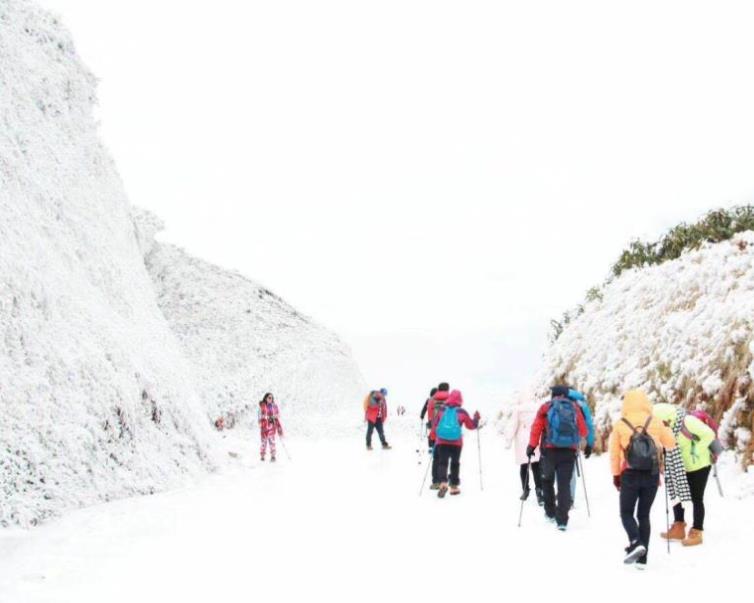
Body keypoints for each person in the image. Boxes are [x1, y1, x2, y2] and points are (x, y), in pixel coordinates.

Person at [609, 390, 676, 568]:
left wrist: (616, 475)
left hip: (629, 475)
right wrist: (665, 428)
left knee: (626, 513)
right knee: (643, 515)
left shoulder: (620, 424)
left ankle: (635, 541)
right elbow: (671, 443)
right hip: (651, 474)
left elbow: (614, 453)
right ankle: (642, 559)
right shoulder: (655, 421)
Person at [653, 402, 716, 546]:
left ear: (666, 418)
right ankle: (679, 527)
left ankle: (697, 531)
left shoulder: (687, 421)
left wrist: (695, 451)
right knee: (677, 493)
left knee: (696, 498)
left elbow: (709, 435)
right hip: (680, 467)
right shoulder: (665, 429)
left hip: (699, 465)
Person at [527, 385, 587, 530]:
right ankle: (562, 521)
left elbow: (536, 427)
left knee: (547, 480)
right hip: (568, 452)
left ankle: (550, 512)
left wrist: (531, 446)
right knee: (564, 484)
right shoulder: (574, 407)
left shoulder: (546, 407)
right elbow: (583, 430)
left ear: (553, 394)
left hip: (549, 451)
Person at [432, 389, 480, 497]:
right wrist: (476, 418)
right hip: (456, 443)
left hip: (442, 441)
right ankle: (454, 486)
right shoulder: (462, 412)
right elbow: (471, 426)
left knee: (442, 463)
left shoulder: (441, 410)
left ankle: (443, 483)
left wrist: (435, 436)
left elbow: (435, 424)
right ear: (460, 399)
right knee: (455, 463)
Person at [503, 390, 544, 505]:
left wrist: (508, 440)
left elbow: (512, 425)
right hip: (534, 439)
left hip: (521, 440)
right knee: (536, 466)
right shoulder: (537, 407)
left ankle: (525, 490)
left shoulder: (518, 409)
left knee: (524, 466)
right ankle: (539, 491)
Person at [568, 389, 595, 506]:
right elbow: (589, 424)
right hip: (574, 440)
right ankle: (570, 498)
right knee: (571, 469)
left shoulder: (557, 401)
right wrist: (589, 444)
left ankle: (561, 493)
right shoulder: (581, 404)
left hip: (555, 441)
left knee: (559, 467)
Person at [427, 383, 451, 490]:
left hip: (435, 433)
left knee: (436, 458)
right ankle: (443, 480)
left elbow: (430, 417)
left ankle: (436, 481)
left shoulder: (431, 400)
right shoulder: (451, 400)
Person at [258, 392, 283, 462]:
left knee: (272, 442)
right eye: (269, 397)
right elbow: (260, 416)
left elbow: (278, 415)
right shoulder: (262, 406)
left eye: (271, 398)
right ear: (266, 398)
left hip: (272, 427)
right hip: (264, 427)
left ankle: (273, 456)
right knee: (263, 442)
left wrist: (274, 417)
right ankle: (262, 456)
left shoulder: (274, 406)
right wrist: (267, 418)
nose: (270, 399)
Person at [420, 387, 438, 453]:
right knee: (435, 434)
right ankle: (433, 447)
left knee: (431, 433)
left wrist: (422, 415)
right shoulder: (437, 400)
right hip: (437, 420)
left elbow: (424, 408)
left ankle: (431, 447)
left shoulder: (428, 400)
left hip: (430, 420)